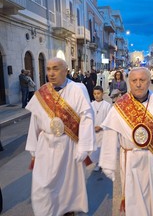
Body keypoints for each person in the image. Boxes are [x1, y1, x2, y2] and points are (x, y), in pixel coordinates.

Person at [99, 67, 153, 215]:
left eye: (142, 80)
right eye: (134, 80)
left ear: (148, 80)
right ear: (129, 83)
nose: (138, 84)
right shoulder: (120, 106)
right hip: (131, 161)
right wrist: (107, 164)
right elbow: (110, 135)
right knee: (134, 203)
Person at [25, 58, 96, 216]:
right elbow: (34, 121)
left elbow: (86, 117)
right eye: (48, 69)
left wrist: (84, 147)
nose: (51, 73)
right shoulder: (42, 92)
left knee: (66, 186)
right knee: (42, 187)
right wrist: (33, 147)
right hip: (45, 144)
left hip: (68, 145)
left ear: (65, 70)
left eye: (55, 69)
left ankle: (66, 211)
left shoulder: (77, 89)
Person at [90, 85, 111, 171]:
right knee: (95, 149)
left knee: (103, 148)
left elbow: (109, 119)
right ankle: (96, 163)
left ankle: (103, 163)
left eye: (98, 93)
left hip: (103, 131)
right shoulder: (90, 105)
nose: (97, 95)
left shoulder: (107, 105)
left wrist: (101, 126)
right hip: (93, 130)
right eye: (95, 94)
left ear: (102, 94)